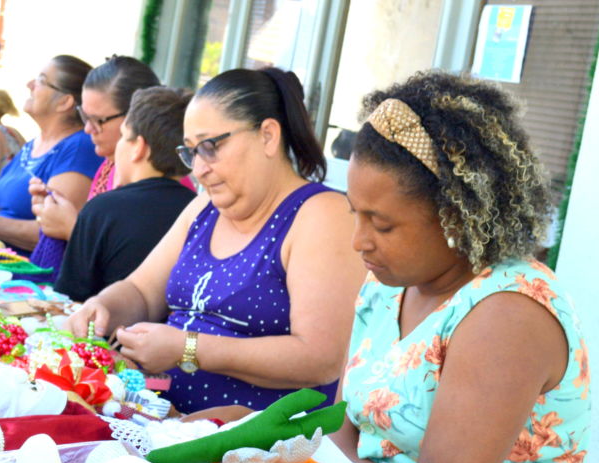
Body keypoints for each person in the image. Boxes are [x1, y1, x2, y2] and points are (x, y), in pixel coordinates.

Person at [330, 71, 596, 463]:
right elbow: (348, 436)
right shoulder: (383, 290)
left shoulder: (509, 311)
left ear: (456, 213)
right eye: (355, 213)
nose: (358, 241)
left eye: (383, 223)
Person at [66, 67, 362, 414]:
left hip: (251, 447)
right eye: (190, 152)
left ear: (267, 136)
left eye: (210, 147)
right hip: (164, 417)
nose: (198, 169)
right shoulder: (205, 206)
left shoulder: (322, 215)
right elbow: (141, 291)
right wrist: (103, 306)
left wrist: (188, 348)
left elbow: (319, 358)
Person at [0, 56, 103, 269]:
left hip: (26, 274)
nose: (30, 85)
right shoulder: (36, 142)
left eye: (41, 81)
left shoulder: (79, 147)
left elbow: (52, 229)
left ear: (65, 101)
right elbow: (10, 203)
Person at [54, 87, 195, 303]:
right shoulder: (198, 210)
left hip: (104, 332)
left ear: (138, 147)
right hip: (174, 334)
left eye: (123, 135)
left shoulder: (103, 209)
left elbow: (71, 300)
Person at [29, 55, 162, 275]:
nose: (88, 129)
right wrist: (54, 208)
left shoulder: (162, 182)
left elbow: (139, 277)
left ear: (136, 120)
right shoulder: (108, 166)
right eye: (84, 117)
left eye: (98, 120)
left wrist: (72, 229)